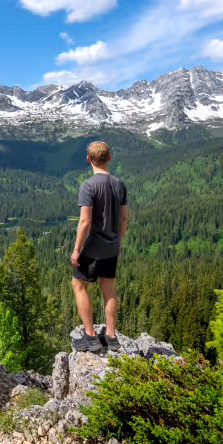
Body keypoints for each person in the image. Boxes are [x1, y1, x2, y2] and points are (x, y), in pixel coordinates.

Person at [70, 141, 128, 353]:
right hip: (112, 246)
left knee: (78, 285)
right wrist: (118, 241)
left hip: (94, 246)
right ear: (109, 158)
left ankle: (90, 336)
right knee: (109, 290)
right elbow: (123, 218)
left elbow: (85, 222)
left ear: (88, 159)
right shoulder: (119, 184)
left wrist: (77, 250)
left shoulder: (88, 185)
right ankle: (111, 336)